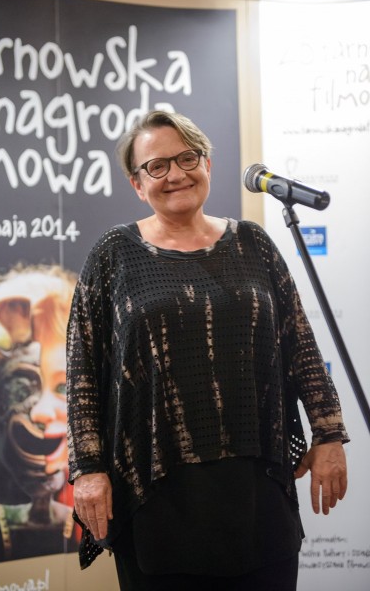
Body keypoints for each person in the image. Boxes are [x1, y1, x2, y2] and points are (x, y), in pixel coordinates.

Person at [66, 110, 349, 590]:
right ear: (137, 184)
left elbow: (301, 344)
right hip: (157, 493)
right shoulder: (113, 255)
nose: (175, 174)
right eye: (157, 166)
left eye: (187, 158)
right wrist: (88, 470)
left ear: (207, 164)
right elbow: (83, 374)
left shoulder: (254, 243)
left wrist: (329, 435)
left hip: (256, 488)